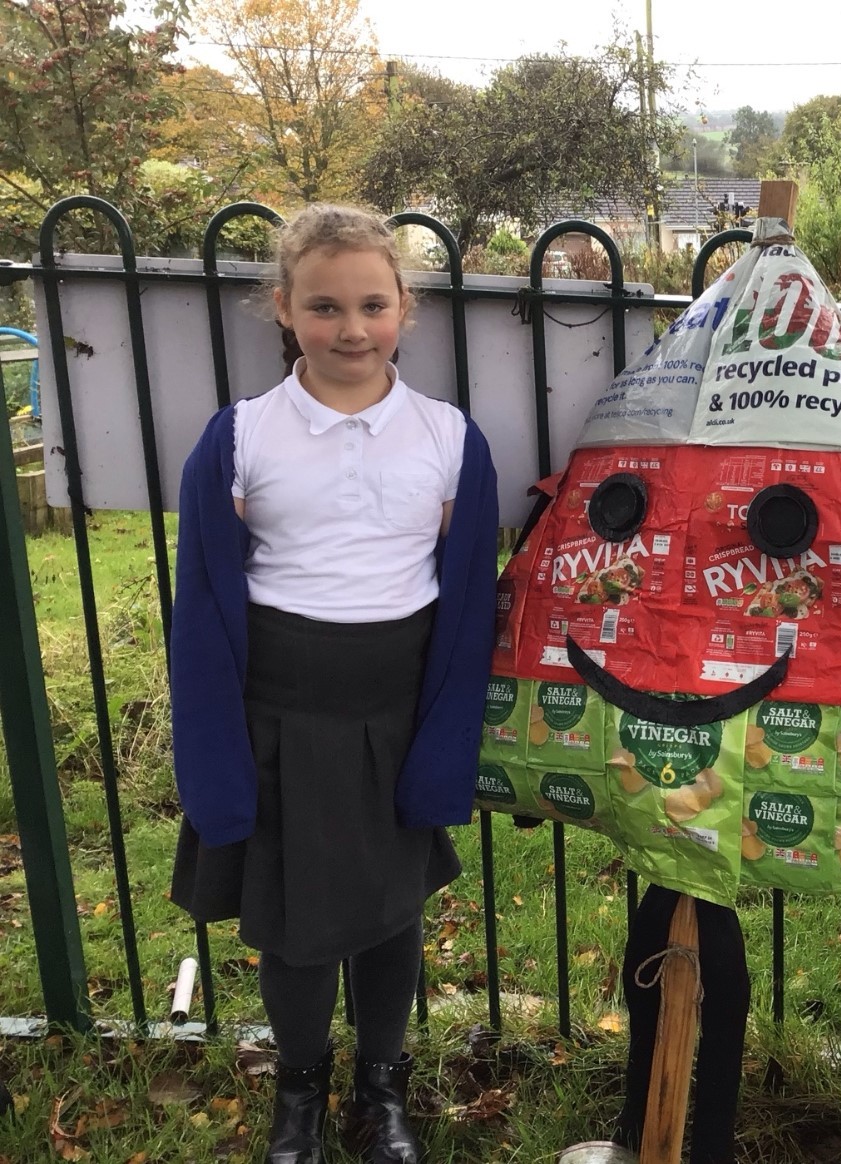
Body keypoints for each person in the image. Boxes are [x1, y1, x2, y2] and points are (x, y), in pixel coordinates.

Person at [169, 203, 498, 1164]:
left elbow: (468, 602)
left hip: (392, 713)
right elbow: (204, 605)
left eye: (371, 305)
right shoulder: (238, 439)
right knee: (295, 925)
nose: (350, 329)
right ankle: (300, 1095)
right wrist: (218, 751)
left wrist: (443, 743)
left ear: (407, 308)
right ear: (283, 309)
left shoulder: (446, 439)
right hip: (282, 714)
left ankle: (379, 1091)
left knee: (389, 916)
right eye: (323, 307)